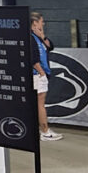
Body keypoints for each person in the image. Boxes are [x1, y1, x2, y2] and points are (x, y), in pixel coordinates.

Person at [31, 12, 63, 141]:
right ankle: (44, 131)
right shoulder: (30, 38)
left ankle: (43, 130)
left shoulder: (37, 37)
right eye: (41, 21)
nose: (43, 24)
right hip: (37, 75)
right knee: (40, 104)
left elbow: (50, 47)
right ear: (35, 22)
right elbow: (32, 58)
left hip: (41, 74)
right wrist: (41, 73)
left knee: (39, 103)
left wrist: (42, 35)